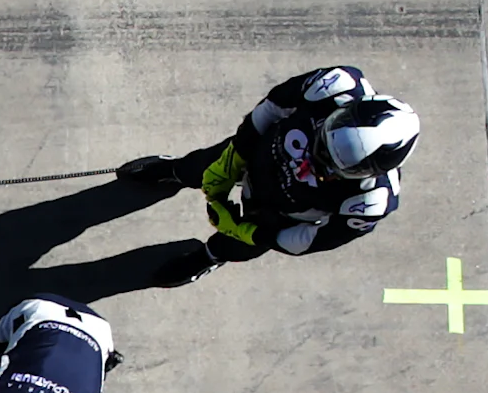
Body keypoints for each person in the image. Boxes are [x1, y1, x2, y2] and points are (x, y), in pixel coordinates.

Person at [122, 65, 419, 286]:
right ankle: (174, 171)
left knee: (237, 246)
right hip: (258, 152)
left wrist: (252, 234)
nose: (317, 160)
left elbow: (310, 241)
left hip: (277, 213)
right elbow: (273, 106)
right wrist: (235, 155)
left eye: (339, 166)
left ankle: (208, 257)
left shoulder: (371, 201)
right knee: (199, 166)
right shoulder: (334, 86)